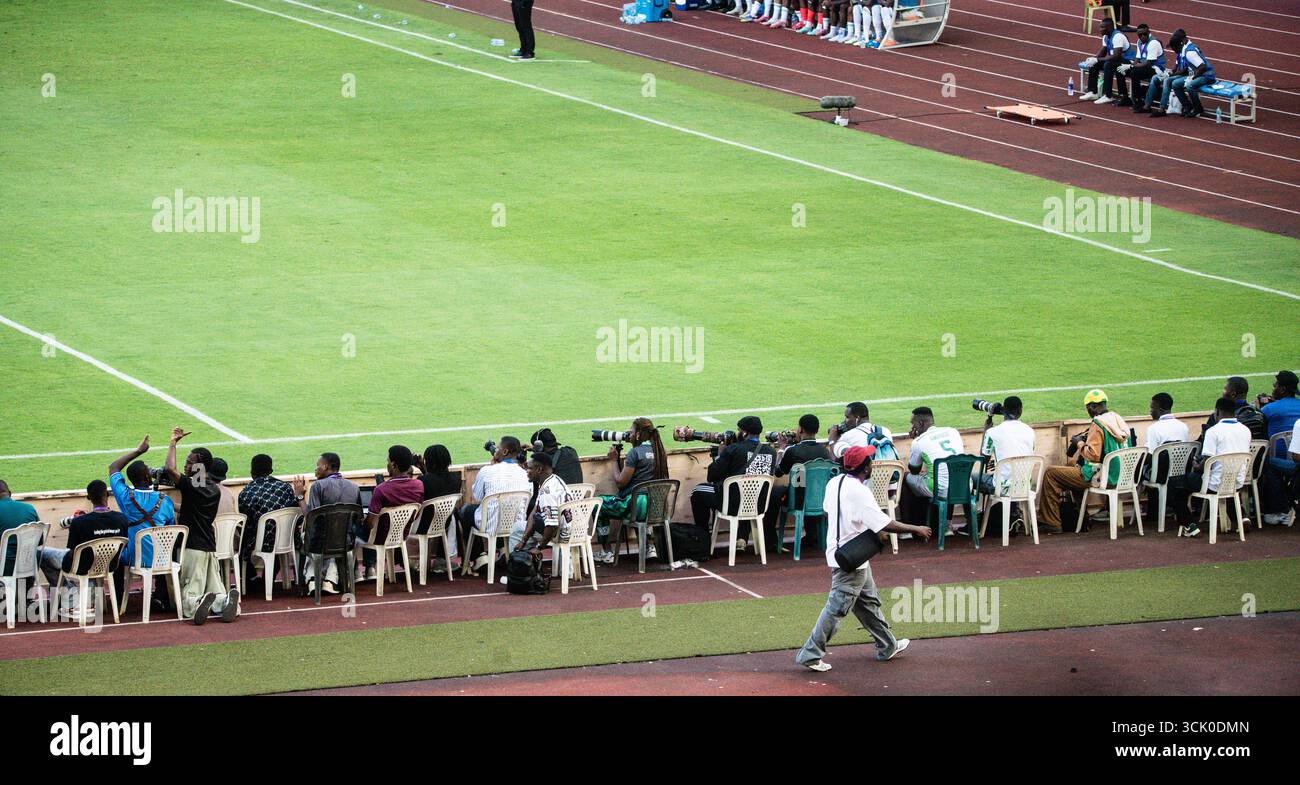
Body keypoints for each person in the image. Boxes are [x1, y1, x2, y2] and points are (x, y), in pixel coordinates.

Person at [795, 446, 932, 672]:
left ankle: (887, 645)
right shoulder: (860, 492)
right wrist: (916, 528)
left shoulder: (834, 482)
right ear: (865, 468)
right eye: (869, 461)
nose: (872, 464)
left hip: (843, 553)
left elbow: (828, 512)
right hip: (851, 561)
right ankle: (810, 654)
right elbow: (885, 523)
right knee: (836, 609)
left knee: (868, 604)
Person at [165, 427, 239, 625]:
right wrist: (174, 505)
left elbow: (169, 469)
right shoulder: (213, 490)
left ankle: (196, 602)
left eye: (190, 463)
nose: (185, 465)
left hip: (192, 548)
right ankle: (226, 602)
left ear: (200, 467)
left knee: (189, 589)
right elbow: (193, 506)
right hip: (209, 547)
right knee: (215, 588)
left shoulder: (192, 486)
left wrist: (173, 442)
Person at [1037, 389, 1131, 533]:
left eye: (1088, 408)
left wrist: (1079, 443)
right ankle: (1083, 518)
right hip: (1123, 475)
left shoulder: (1098, 424)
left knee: (1051, 473)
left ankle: (1052, 522)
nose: (1088, 411)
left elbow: (1093, 455)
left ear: (1093, 406)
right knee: (1071, 466)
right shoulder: (1118, 420)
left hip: (1103, 477)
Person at [36, 480, 128, 612]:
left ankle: (70, 598)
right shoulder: (122, 519)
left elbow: (72, 552)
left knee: (41, 554)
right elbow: (122, 547)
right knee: (88, 558)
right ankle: (87, 599)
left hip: (84, 566)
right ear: (107, 494)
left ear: (88, 497)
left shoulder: (79, 522)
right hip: (110, 564)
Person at [107, 436, 177, 607]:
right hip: (162, 558)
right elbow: (170, 529)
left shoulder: (126, 497)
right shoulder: (164, 500)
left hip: (134, 558)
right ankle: (161, 595)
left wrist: (138, 451)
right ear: (148, 477)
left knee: (113, 556)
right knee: (163, 546)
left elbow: (113, 467)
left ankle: (117, 600)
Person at [689, 417, 777, 552]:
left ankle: (703, 540)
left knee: (698, 491)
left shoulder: (734, 449)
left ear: (745, 433)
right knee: (747, 491)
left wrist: (720, 455)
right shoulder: (771, 452)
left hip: (733, 505)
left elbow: (712, 475)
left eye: (739, 430)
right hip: (758, 505)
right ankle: (741, 537)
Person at [1170, 397, 1251, 537]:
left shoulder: (1213, 431)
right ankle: (1240, 518)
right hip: (1236, 482)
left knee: (1175, 483)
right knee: (1225, 482)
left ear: (1217, 411)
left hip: (1213, 484)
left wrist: (1196, 465)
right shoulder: (1245, 430)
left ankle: (1189, 525)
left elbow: (1207, 463)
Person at [596, 417, 669, 564]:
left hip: (637, 507)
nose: (628, 433)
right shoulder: (660, 451)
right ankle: (649, 546)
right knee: (640, 500)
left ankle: (606, 551)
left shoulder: (635, 453)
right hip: (657, 507)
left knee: (597, 504)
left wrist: (613, 461)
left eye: (631, 430)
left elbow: (621, 482)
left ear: (637, 434)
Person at [292, 452, 363, 594]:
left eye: (317, 466)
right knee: (329, 536)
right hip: (346, 542)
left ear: (325, 466)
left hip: (321, 543)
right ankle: (329, 580)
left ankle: (312, 580)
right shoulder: (354, 488)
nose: (315, 469)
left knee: (306, 536)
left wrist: (300, 497)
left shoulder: (318, 486)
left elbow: (310, 518)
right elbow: (358, 517)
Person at [460, 437, 532, 575]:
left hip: (490, 523)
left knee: (464, 510)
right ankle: (504, 549)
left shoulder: (487, 471)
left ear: (504, 452)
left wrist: (491, 467)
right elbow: (528, 497)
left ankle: (480, 557)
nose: (495, 451)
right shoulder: (525, 474)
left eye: (497, 448)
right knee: (501, 511)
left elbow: (478, 497)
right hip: (516, 524)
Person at [355, 445, 425, 580]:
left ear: (393, 465)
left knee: (355, 527)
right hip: (402, 534)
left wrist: (362, 521)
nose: (386, 464)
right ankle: (371, 569)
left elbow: (370, 524)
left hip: (381, 537)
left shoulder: (381, 490)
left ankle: (360, 570)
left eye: (387, 461)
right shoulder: (419, 486)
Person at [767, 414, 834, 550]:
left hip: (798, 501)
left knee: (774, 494)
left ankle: (770, 540)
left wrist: (781, 449)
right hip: (820, 500)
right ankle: (812, 535)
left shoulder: (792, 451)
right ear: (817, 430)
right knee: (807, 488)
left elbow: (778, 472)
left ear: (801, 430)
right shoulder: (824, 452)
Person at [978, 396, 1036, 534]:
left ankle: (973, 526)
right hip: (1024, 486)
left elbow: (983, 459)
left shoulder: (992, 432)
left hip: (1002, 487)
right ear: (1021, 411)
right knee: (1009, 475)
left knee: (971, 479)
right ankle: (1015, 515)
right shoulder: (1030, 431)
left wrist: (985, 432)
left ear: (1003, 411)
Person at [903, 407, 966, 532]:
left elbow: (914, 470)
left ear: (920, 423)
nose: (911, 426)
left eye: (912, 423)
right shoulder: (953, 431)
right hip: (963, 486)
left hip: (939, 490)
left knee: (905, 477)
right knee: (950, 476)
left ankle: (908, 528)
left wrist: (914, 441)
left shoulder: (919, 441)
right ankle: (948, 524)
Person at [237, 453, 300, 570]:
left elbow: (247, 524)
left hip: (262, 543)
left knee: (242, 539)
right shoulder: (285, 487)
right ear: (271, 470)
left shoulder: (246, 493)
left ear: (252, 471)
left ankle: (250, 579)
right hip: (288, 539)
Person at [1255, 370, 1300, 525]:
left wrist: (1258, 407)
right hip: (1295, 460)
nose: (1273, 387)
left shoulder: (1269, 409)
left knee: (1266, 463)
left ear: (1282, 389)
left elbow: (1257, 422)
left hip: (1285, 460)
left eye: (1275, 385)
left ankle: (1280, 509)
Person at [413, 444, 463, 572]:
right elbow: (438, 487)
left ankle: (405, 561)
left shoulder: (422, 480)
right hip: (444, 523)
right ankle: (442, 560)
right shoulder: (456, 478)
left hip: (424, 525)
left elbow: (429, 487)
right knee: (450, 513)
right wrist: (424, 470)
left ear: (430, 462)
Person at [514, 451, 571, 556]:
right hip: (570, 529)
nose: (527, 471)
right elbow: (535, 510)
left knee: (517, 528)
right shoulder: (554, 479)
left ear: (539, 470)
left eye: (530, 468)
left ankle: (518, 566)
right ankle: (528, 564)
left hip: (560, 533)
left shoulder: (547, 492)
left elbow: (552, 525)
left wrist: (539, 547)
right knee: (531, 522)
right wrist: (523, 540)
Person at [1078, 17, 1134, 106]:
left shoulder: (1118, 36)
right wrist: (1093, 59)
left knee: (1108, 65)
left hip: (1127, 61)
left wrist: (1097, 59)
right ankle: (1093, 92)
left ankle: (1107, 95)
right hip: (1115, 60)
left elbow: (1116, 56)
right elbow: (1103, 51)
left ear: (1110, 27)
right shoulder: (1105, 36)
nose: (1100, 29)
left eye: (1102, 27)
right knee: (1095, 63)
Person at [1200, 376, 1266, 441]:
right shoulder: (1260, 414)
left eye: (1225, 389)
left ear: (1233, 394)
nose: (1222, 391)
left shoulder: (1220, 415)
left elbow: (1205, 441)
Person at [1168, 31, 1215, 118]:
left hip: (1206, 75)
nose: (1175, 52)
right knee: (1175, 84)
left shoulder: (1189, 53)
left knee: (1190, 86)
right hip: (1199, 74)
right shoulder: (1186, 48)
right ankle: (1187, 106)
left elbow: (1202, 66)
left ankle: (1198, 108)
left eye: (1175, 49)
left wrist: (1193, 77)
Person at [0, 479, 40, 577]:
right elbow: (40, 540)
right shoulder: (29, 508)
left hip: (5, 566)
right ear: (9, 493)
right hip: (31, 563)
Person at [827, 401, 893, 459]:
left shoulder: (848, 436)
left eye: (847, 417)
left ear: (857, 418)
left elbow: (834, 460)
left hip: (866, 472)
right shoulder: (886, 431)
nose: (845, 421)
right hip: (888, 471)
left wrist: (832, 439)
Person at [1125, 25, 1166, 113]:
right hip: (1145, 66)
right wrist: (1131, 64)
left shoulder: (1153, 43)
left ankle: (1138, 100)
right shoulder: (1139, 42)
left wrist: (1133, 66)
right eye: (1140, 35)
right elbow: (1137, 58)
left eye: (1144, 34)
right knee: (1125, 70)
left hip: (1156, 68)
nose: (1142, 36)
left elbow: (1149, 63)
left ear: (1148, 32)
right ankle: (1127, 97)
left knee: (1134, 73)